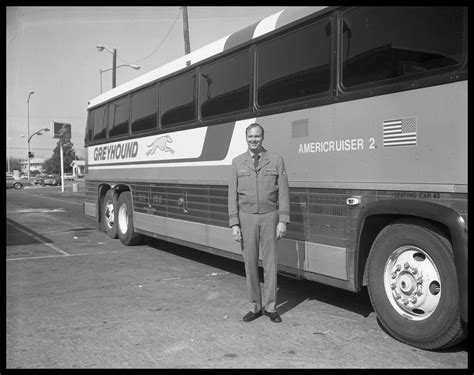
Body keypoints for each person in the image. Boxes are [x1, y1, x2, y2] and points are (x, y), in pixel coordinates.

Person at [228, 123, 290, 323]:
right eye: (250, 136)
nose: (254, 140)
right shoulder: (237, 162)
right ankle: (255, 306)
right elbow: (232, 196)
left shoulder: (276, 160)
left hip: (270, 217)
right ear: (246, 138)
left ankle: (271, 307)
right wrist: (234, 223)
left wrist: (283, 220)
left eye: (257, 136)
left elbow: (283, 192)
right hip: (246, 218)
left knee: (270, 264)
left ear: (263, 137)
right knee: (250, 264)